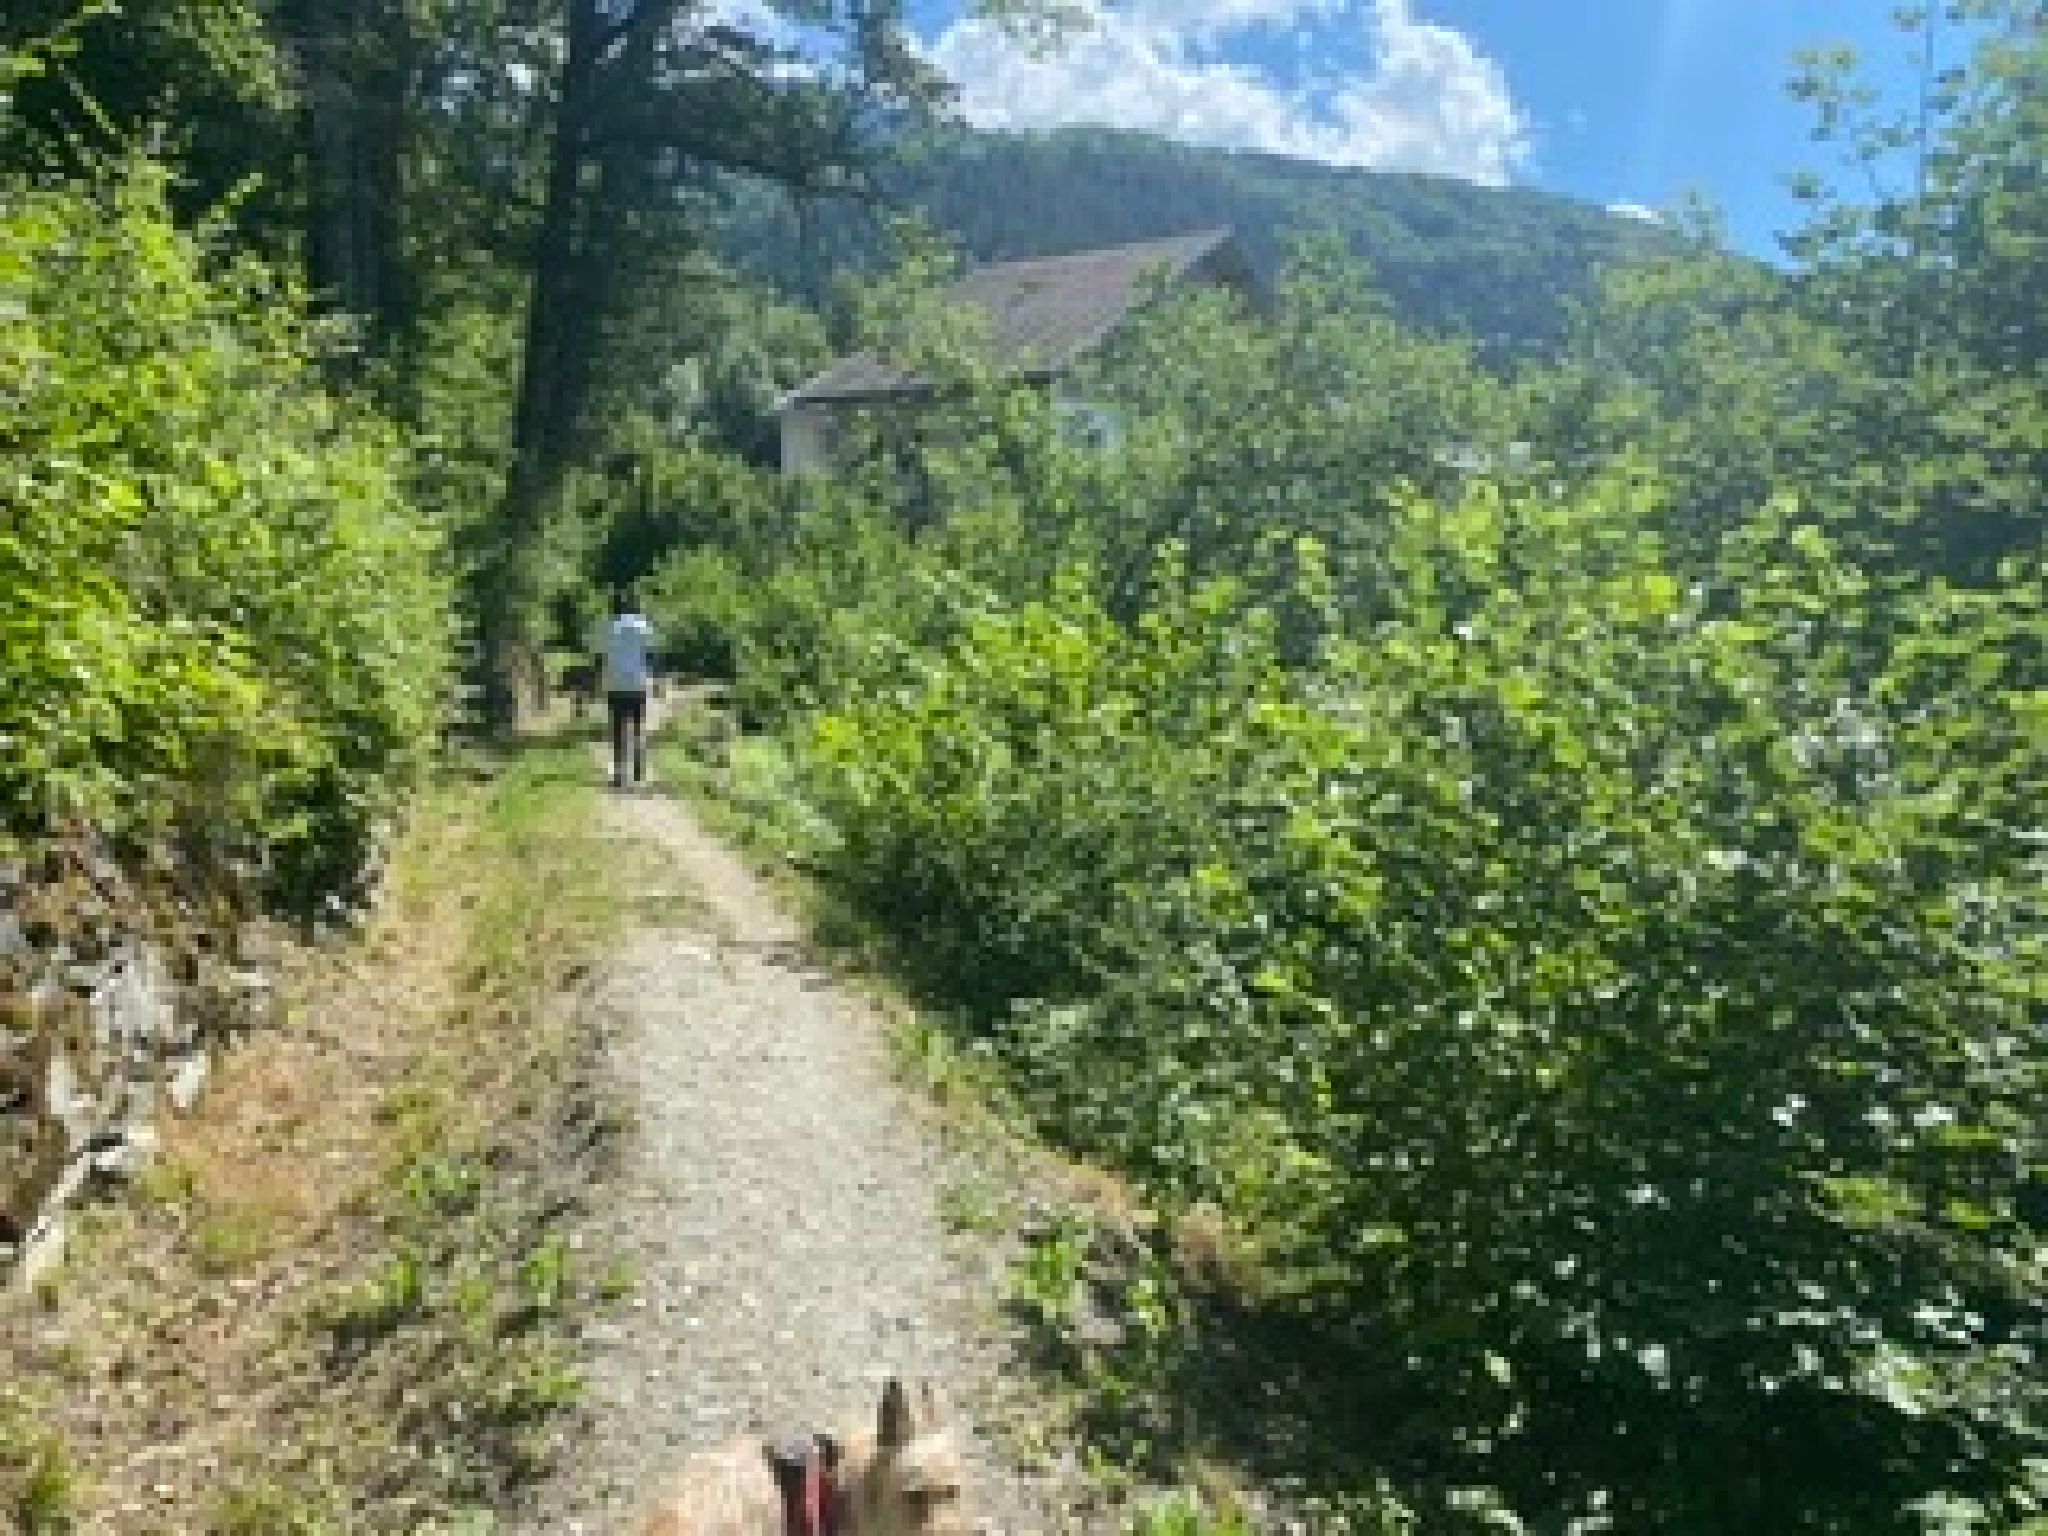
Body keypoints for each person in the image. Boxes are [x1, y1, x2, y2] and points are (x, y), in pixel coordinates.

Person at [592, 589, 656, 788]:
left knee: (617, 727)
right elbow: (650, 654)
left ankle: (619, 773)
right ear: (635, 606)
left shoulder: (608, 626)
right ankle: (638, 769)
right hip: (638, 683)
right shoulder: (643, 625)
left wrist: (600, 680)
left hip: (616, 683)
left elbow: (601, 655)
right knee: (638, 725)